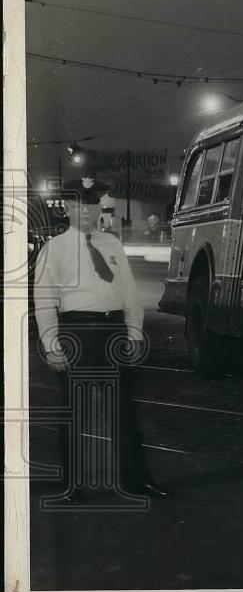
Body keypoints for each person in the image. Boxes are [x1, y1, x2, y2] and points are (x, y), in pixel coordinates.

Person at [32, 178, 170, 503]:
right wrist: (51, 345)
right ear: (66, 208)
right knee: (74, 412)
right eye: (79, 205)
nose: (86, 210)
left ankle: (136, 481)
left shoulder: (112, 244)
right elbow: (44, 301)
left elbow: (129, 293)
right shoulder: (54, 249)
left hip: (112, 331)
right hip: (76, 331)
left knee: (122, 410)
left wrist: (133, 332)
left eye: (91, 204)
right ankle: (72, 485)